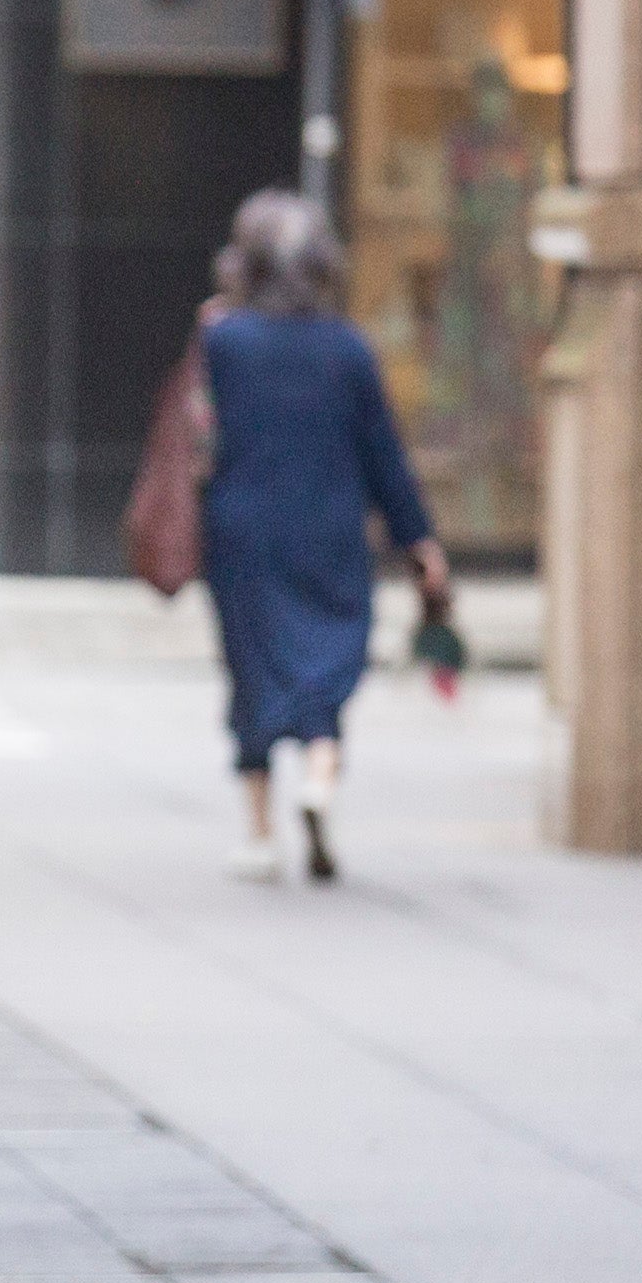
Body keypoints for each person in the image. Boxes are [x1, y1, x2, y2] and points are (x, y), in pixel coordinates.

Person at [195, 187, 445, 884]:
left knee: (250, 670)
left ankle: (258, 831)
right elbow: (384, 457)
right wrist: (419, 540)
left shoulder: (224, 341)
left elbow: (191, 432)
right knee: (325, 664)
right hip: (331, 531)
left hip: (243, 533)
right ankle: (321, 775)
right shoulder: (348, 350)